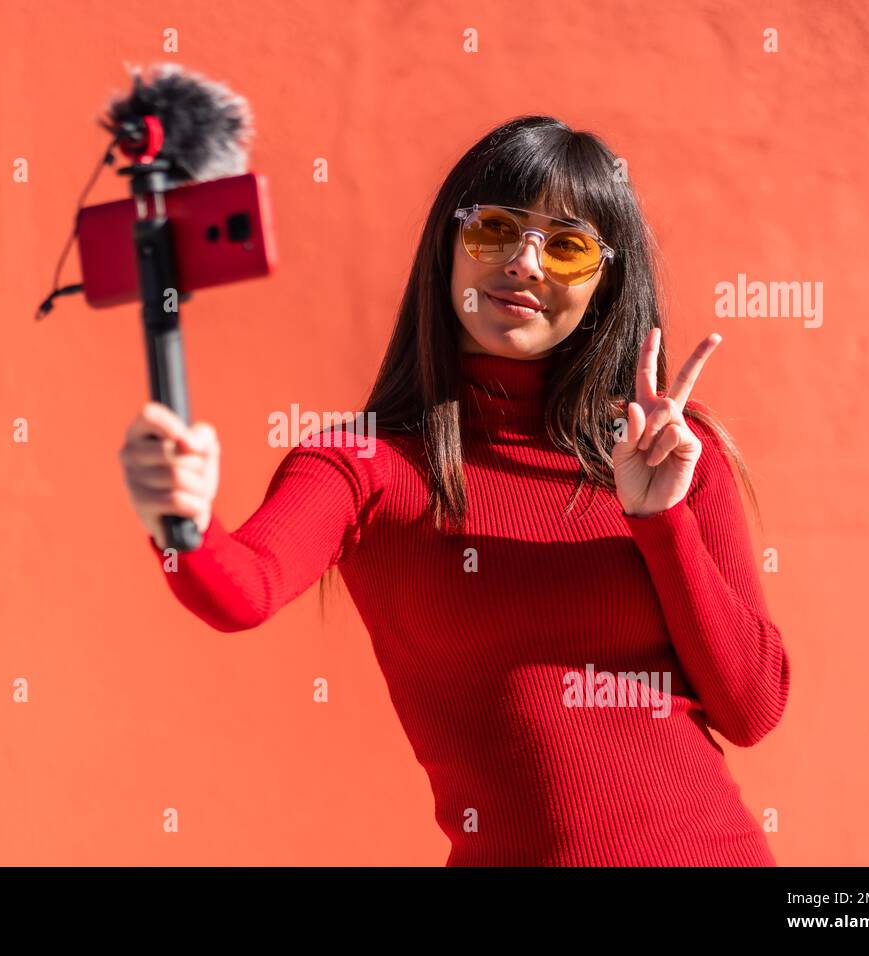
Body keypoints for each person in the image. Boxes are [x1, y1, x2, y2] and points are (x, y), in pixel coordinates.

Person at [118, 115, 791, 866]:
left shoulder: (669, 451)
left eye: (567, 246)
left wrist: (661, 521)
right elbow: (240, 590)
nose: (526, 263)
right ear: (448, 246)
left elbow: (753, 707)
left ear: (604, 284)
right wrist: (180, 517)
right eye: (495, 229)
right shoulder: (363, 464)